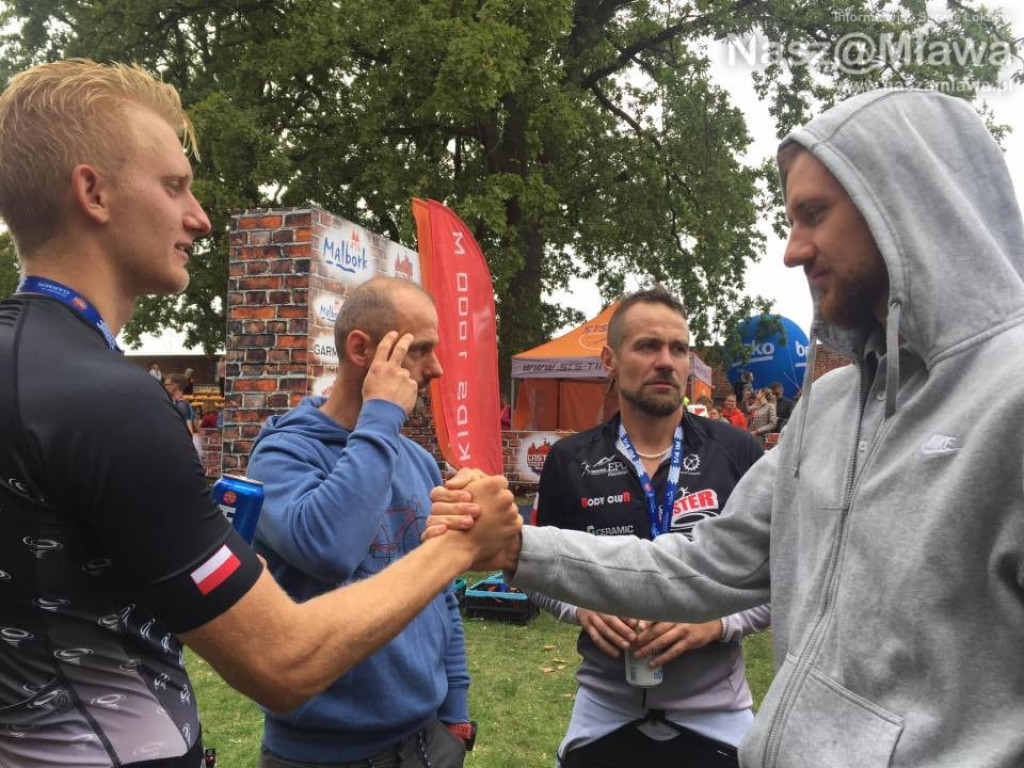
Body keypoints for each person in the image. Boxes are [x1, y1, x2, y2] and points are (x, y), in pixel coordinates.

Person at [432, 89, 1024, 766]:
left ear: (905, 203)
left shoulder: (1011, 398)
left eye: (814, 215)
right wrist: (517, 549)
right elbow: (700, 565)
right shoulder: (829, 411)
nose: (792, 251)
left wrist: (717, 627)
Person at [0, 58, 520, 767]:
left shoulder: (36, 373)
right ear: (92, 192)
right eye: (174, 185)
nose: (199, 217)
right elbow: (282, 661)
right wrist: (461, 545)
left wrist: (453, 712)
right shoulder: (110, 402)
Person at [529, 288, 769, 768]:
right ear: (609, 360)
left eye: (678, 348)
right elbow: (534, 570)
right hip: (606, 707)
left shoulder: (739, 453)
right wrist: (579, 608)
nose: (666, 361)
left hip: (716, 710)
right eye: (647, 346)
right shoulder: (568, 459)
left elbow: (785, 576)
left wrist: (719, 622)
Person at [246, 276, 473, 768]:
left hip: (429, 741)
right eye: (421, 350)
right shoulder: (282, 455)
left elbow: (440, 590)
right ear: (360, 349)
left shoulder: (416, 460)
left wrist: (456, 710)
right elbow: (329, 549)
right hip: (321, 757)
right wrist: (381, 418)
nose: (435, 368)